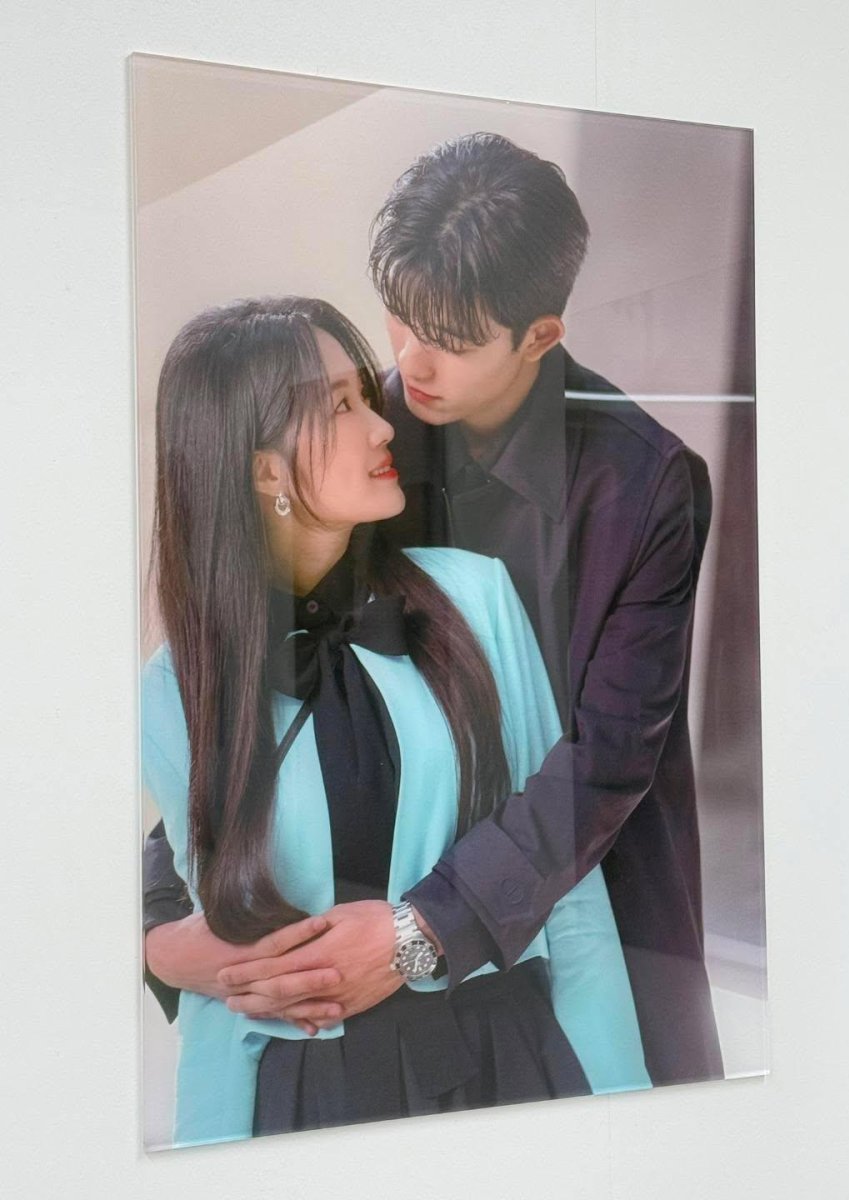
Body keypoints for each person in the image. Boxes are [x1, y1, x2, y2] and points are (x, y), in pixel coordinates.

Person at [144, 132, 724, 1088]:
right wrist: (160, 926)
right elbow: (256, 698)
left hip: (592, 900)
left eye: (449, 340)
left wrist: (422, 932)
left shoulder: (645, 485)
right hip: (378, 953)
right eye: (401, 320)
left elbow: (609, 759)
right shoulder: (361, 442)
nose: (409, 363)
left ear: (540, 336)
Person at [141, 294, 649, 1147]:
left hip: (505, 1062)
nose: (382, 427)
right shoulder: (173, 690)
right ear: (264, 472)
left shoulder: (475, 597)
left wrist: (625, 1108)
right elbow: (229, 976)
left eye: (363, 399)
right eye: (339, 407)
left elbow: (569, 885)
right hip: (310, 1099)